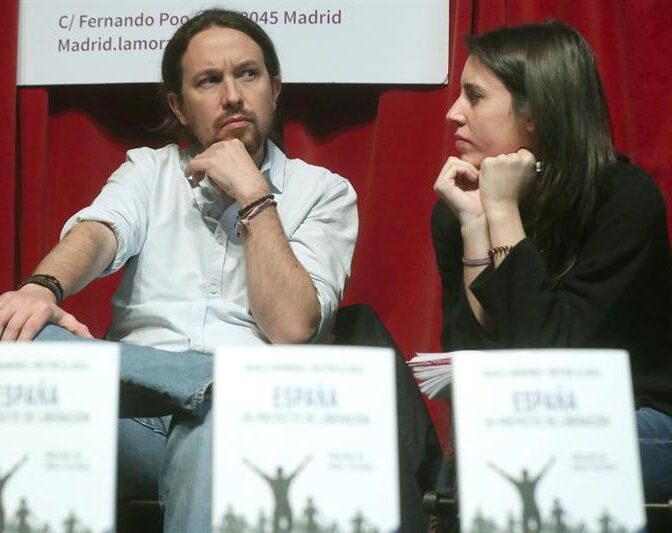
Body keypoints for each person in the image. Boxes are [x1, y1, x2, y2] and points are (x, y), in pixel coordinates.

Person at [0, 8, 357, 533]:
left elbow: (291, 326)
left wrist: (255, 196)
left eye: (248, 74)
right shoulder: (149, 170)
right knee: (26, 341)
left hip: (250, 422)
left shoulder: (324, 192)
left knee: (219, 421)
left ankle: (220, 389)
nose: (232, 96)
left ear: (275, 89)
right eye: (209, 81)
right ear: (179, 105)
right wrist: (41, 288)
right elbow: (98, 232)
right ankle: (212, 382)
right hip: (131, 414)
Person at [432, 21, 672, 503]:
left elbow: (549, 356)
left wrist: (503, 212)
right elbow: (470, 373)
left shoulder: (623, 200)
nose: (453, 113)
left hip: (635, 413)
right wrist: (475, 225)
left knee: (525, 460)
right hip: (520, 425)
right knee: (479, 466)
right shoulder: (458, 207)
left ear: (536, 113)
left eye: (474, 96)